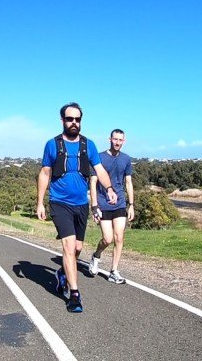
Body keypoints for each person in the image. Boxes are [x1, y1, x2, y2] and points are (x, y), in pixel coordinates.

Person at [37, 102, 117, 313]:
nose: (74, 123)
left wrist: (108, 188)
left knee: (78, 249)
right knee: (69, 247)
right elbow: (45, 173)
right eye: (70, 119)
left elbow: (99, 169)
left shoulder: (87, 145)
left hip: (81, 204)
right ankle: (74, 294)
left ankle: (62, 274)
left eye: (77, 119)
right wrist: (39, 202)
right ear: (62, 120)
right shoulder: (52, 144)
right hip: (59, 202)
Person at [88, 129, 135, 284]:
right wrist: (94, 206)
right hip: (103, 203)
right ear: (109, 139)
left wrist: (131, 205)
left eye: (120, 140)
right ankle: (96, 255)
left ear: (124, 141)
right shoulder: (99, 157)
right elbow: (93, 182)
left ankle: (114, 271)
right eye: (115, 139)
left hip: (120, 202)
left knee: (119, 237)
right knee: (107, 239)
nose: (117, 142)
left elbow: (128, 182)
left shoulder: (126, 159)